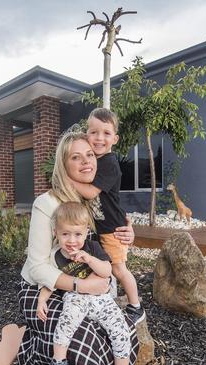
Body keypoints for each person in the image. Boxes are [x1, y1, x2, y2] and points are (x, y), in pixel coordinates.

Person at [17, 131, 139, 365]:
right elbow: (37, 268)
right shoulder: (47, 203)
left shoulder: (95, 200)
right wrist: (83, 285)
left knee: (122, 333)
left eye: (90, 154)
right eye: (75, 157)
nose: (86, 161)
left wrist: (128, 233)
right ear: (63, 165)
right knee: (82, 347)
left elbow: (106, 244)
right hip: (43, 287)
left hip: (86, 283)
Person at [70, 108, 145, 325]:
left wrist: (66, 179)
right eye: (94, 132)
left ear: (115, 138)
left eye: (106, 133)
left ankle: (136, 307)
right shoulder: (92, 160)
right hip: (103, 227)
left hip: (114, 229)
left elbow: (91, 192)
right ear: (86, 134)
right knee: (105, 268)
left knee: (119, 269)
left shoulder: (109, 163)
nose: (99, 138)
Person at [37, 202, 131, 365]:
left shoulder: (92, 248)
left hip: (102, 299)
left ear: (86, 232)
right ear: (55, 233)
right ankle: (59, 361)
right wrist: (41, 300)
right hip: (75, 298)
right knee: (65, 324)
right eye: (65, 234)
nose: (72, 240)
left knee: (120, 329)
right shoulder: (55, 256)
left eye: (78, 234)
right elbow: (51, 281)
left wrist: (89, 259)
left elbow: (107, 271)